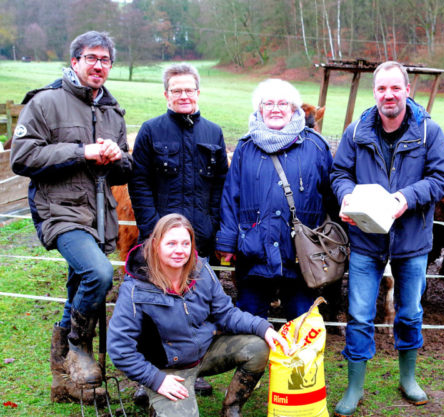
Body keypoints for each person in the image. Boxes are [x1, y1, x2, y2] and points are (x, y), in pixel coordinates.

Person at [10, 31, 132, 403]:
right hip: (60, 211)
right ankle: (78, 346)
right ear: (75, 60)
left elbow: (124, 171)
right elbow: (22, 157)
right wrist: (83, 151)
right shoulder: (46, 102)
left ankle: (65, 383)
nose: (99, 65)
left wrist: (116, 157)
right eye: (92, 58)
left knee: (76, 289)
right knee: (98, 274)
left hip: (99, 215)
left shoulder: (112, 110)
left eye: (105, 60)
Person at [330, 61, 444, 416]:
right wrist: (346, 197)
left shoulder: (429, 131)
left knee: (411, 313)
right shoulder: (356, 132)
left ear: (407, 90)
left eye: (395, 88)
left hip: (411, 240)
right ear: (375, 93)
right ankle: (354, 387)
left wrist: (406, 198)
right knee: (358, 314)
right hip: (366, 240)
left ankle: (408, 379)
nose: (389, 95)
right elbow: (339, 173)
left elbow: (443, 178)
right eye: (382, 89)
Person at [108, 214, 288, 417]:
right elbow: (119, 348)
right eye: (171, 243)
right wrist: (155, 379)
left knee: (258, 346)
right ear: (156, 245)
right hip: (168, 369)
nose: (179, 250)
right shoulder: (135, 289)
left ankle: (231, 409)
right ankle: (155, 400)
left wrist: (263, 328)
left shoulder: (201, 270)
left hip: (204, 352)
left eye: (185, 243)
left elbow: (226, 314)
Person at [128, 62, 228, 399]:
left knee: (198, 308)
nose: (183, 95)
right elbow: (139, 182)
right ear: (166, 94)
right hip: (160, 240)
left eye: (189, 89)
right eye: (177, 90)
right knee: (154, 308)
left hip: (200, 238)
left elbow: (220, 184)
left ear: (198, 92)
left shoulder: (212, 133)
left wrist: (213, 223)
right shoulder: (151, 131)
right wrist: (149, 230)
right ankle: (150, 377)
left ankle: (193, 372)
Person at [215, 79, 335, 321]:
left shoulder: (316, 147)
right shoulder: (245, 147)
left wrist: (334, 241)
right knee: (248, 325)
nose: (276, 108)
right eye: (268, 103)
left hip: (301, 254)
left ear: (294, 109)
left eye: (283, 103)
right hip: (253, 252)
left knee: (302, 326)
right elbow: (231, 196)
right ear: (259, 109)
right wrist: (227, 242)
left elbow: (331, 196)